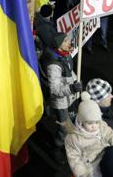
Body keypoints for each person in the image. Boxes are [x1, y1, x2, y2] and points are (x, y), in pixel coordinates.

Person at [63, 92, 113, 177]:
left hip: (105, 154)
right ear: (81, 121)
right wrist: (82, 174)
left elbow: (111, 135)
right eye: (90, 123)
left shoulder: (101, 125)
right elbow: (74, 159)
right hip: (90, 164)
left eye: (96, 122)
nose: (94, 126)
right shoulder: (73, 138)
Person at [43, 32, 82, 163]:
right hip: (61, 102)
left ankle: (68, 145)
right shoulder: (54, 65)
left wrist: (76, 82)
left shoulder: (66, 56)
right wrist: (71, 88)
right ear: (58, 45)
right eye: (65, 41)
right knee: (64, 128)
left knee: (72, 123)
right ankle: (56, 148)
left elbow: (70, 74)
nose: (68, 43)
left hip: (70, 98)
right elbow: (54, 89)